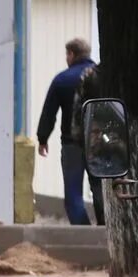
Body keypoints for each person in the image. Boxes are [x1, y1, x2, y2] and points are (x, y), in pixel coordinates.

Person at [36, 37, 99, 225]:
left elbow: (49, 112)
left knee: (73, 194)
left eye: (67, 54)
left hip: (72, 144)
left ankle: (83, 232)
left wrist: (42, 138)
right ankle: (105, 231)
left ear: (72, 54)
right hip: (99, 143)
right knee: (100, 189)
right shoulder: (100, 76)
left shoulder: (62, 79)